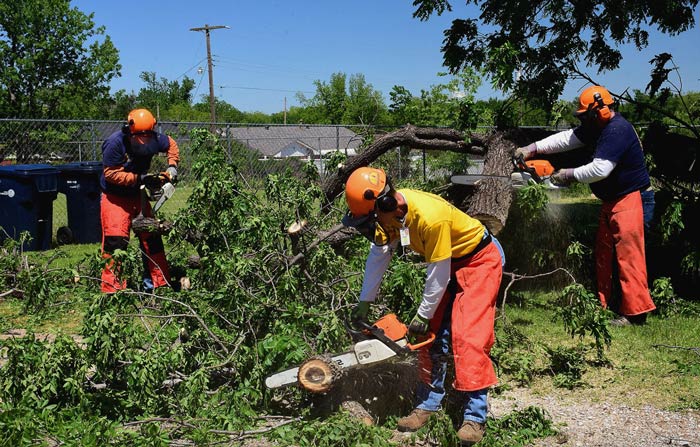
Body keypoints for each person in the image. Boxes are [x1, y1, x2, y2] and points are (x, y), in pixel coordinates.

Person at [342, 166, 504, 446]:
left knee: (468, 336)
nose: (370, 230)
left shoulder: (430, 218)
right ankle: (427, 405)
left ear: (386, 204)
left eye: (369, 222)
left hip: (479, 261)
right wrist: (364, 303)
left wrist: (422, 314)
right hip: (451, 263)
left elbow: (438, 274)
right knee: (428, 338)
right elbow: (378, 257)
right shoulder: (393, 217)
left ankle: (475, 417)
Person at [515, 85, 656, 326]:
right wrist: (533, 148)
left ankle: (635, 314)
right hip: (614, 200)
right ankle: (608, 303)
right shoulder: (596, 128)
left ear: (598, 110)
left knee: (628, 258)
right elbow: (565, 139)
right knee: (605, 253)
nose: (583, 121)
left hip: (632, 198)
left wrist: (568, 174)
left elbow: (601, 169)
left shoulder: (616, 130)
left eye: (585, 115)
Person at [99, 108, 179, 294]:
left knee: (152, 239)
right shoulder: (115, 143)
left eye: (147, 135)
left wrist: (172, 167)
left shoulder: (155, 138)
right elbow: (111, 174)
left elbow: (172, 144)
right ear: (130, 128)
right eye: (139, 136)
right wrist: (140, 178)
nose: (143, 140)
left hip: (139, 195)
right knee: (115, 243)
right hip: (115, 198)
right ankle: (114, 292)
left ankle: (159, 287)